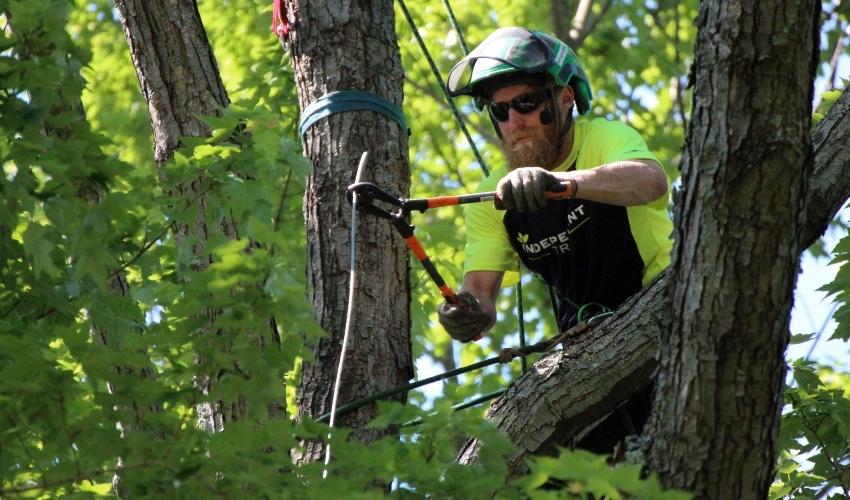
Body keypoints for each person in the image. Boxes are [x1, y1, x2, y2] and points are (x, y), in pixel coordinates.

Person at [438, 27, 673, 454]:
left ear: (565, 99)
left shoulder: (603, 139)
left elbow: (650, 181)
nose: (514, 122)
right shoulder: (494, 196)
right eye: (500, 111)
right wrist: (466, 312)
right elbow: (480, 293)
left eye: (526, 103)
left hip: (663, 310)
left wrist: (559, 183)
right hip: (585, 354)